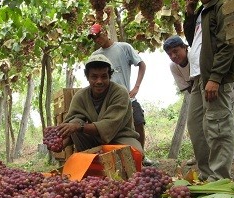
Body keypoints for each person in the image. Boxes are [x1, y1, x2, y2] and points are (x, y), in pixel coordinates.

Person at [182, 0, 234, 181]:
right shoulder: (202, 11)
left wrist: (215, 78)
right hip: (198, 78)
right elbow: (192, 41)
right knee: (197, 128)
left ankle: (220, 178)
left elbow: (226, 44)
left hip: (215, 78)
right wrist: (189, 14)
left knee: (218, 127)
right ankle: (207, 175)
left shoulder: (222, 7)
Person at [87, 23, 153, 166]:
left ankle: (141, 157)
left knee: (138, 122)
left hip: (127, 97)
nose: (97, 39)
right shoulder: (95, 56)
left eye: (98, 35)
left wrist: (136, 86)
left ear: (105, 31)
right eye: (94, 38)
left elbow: (141, 64)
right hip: (107, 101)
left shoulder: (124, 48)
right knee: (107, 128)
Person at [56, 54, 143, 155]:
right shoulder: (80, 96)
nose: (99, 81)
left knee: (136, 153)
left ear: (110, 76)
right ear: (87, 77)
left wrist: (78, 126)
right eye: (94, 77)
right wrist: (61, 143)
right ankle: (89, 163)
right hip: (95, 139)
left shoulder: (120, 92)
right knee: (73, 124)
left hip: (120, 137)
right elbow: (72, 124)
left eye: (104, 77)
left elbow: (109, 125)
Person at [162, 35, 196, 166]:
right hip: (195, 92)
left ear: (185, 48)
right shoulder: (174, 67)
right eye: (169, 54)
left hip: (211, 89)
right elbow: (188, 88)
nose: (173, 56)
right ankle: (199, 156)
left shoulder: (194, 57)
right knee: (194, 124)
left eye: (176, 51)